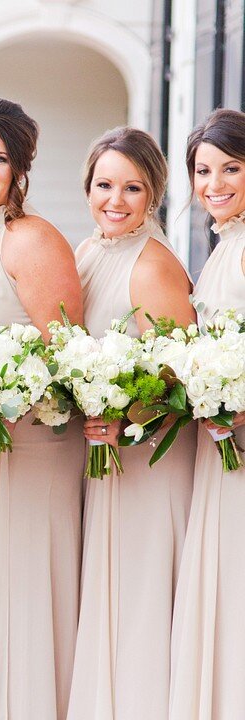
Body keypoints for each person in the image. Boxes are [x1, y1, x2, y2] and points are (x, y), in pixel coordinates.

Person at [0, 97, 86, 720]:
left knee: (25, 590)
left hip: (32, 441)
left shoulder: (29, 238)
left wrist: (0, 388)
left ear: (19, 170)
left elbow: (66, 350)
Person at [69, 126, 196, 720]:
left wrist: (128, 414)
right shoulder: (91, 252)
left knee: (142, 596)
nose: (115, 201)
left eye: (132, 188)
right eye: (104, 185)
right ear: (87, 187)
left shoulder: (153, 267)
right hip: (104, 461)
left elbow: (181, 379)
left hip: (149, 463)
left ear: (155, 196)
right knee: (108, 594)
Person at [168, 107, 245, 720]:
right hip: (217, 440)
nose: (214, 183)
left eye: (231, 168)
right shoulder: (225, 247)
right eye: (202, 169)